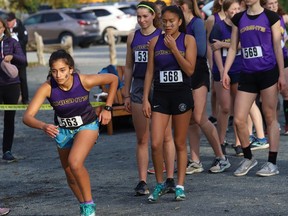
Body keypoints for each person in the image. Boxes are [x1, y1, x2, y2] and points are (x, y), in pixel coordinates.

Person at [22, 49, 118, 216]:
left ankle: (89, 206)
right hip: (63, 131)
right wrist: (43, 126)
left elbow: (113, 79)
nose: (58, 75)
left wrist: (108, 108)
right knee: (69, 173)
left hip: (87, 126)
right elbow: (27, 117)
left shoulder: (84, 81)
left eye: (62, 70)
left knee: (75, 162)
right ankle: (83, 205)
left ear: (71, 69)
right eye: (54, 71)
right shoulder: (47, 88)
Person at [222, 0, 286, 176]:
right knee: (239, 119)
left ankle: (272, 163)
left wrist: (282, 74)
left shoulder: (271, 17)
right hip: (247, 74)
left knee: (270, 116)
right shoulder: (239, 18)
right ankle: (249, 158)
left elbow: (277, 47)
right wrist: (225, 72)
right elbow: (234, 48)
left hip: (268, 73)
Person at [142, 5, 197, 202]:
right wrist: (145, 98)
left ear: (180, 22)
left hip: (181, 94)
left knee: (180, 142)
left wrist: (174, 49)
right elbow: (149, 72)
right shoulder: (154, 42)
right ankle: (160, 184)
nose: (167, 25)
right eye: (164, 21)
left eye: (171, 21)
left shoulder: (188, 40)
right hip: (161, 96)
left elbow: (190, 70)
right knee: (156, 143)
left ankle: (180, 185)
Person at [123, 1, 176, 196]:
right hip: (138, 86)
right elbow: (129, 66)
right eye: (138, 16)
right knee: (142, 137)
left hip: (161, 85)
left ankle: (169, 178)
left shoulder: (163, 36)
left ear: (154, 16)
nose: (142, 20)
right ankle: (142, 181)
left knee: (165, 136)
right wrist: (125, 92)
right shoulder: (132, 36)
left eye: (145, 16)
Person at [178, 0, 230, 174]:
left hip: (198, 72)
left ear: (187, 5)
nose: (179, 8)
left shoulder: (197, 22)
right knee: (191, 118)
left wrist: (176, 50)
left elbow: (200, 50)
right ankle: (195, 160)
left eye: (181, 5)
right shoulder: (177, 24)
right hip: (183, 72)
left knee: (200, 117)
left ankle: (221, 157)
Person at [209, 0, 242, 156]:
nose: (235, 11)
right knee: (225, 108)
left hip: (239, 69)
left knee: (238, 108)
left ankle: (238, 141)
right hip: (222, 71)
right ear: (226, 10)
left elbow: (242, 45)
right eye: (233, 9)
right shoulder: (218, 26)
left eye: (238, 8)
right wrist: (223, 72)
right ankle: (220, 141)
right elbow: (215, 49)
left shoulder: (241, 26)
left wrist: (224, 44)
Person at [0, 17, 27, 162]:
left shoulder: (12, 42)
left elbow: (23, 60)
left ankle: (7, 151)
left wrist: (12, 56)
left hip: (11, 85)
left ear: (4, 28)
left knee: (9, 119)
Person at [261, 0, 288, 134]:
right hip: (268, 61)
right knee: (271, 97)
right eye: (270, 3)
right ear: (264, 6)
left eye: (275, 3)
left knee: (286, 92)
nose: (273, 6)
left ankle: (286, 124)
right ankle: (270, 125)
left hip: (283, 58)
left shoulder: (282, 18)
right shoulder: (262, 19)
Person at [205, 0, 226, 125]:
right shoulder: (212, 19)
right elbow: (208, 42)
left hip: (232, 58)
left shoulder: (236, 16)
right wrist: (211, 61)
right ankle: (214, 114)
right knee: (215, 90)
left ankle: (227, 115)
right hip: (217, 57)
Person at [6, 12, 29, 104]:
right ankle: (10, 100)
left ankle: (25, 99)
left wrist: (16, 43)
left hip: (20, 58)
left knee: (23, 79)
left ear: (14, 20)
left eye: (10, 21)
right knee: (10, 80)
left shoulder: (21, 27)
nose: (8, 23)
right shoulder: (5, 29)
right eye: (7, 21)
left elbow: (25, 40)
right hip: (10, 60)